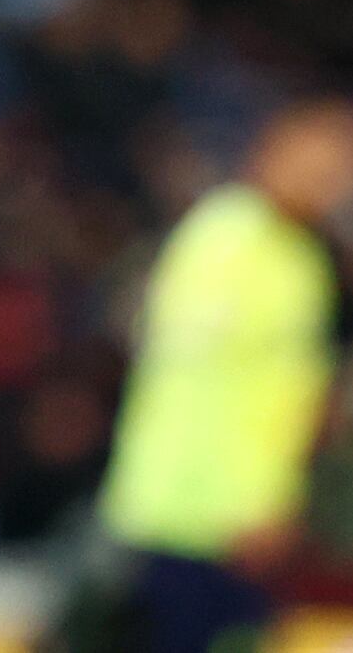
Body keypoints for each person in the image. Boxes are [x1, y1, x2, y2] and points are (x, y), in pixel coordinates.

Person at [93, 101, 353, 653]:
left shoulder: (299, 257)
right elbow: (198, 387)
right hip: (192, 513)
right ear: (269, 150)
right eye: (318, 159)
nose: (329, 179)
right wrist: (250, 505)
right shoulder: (226, 242)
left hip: (242, 515)